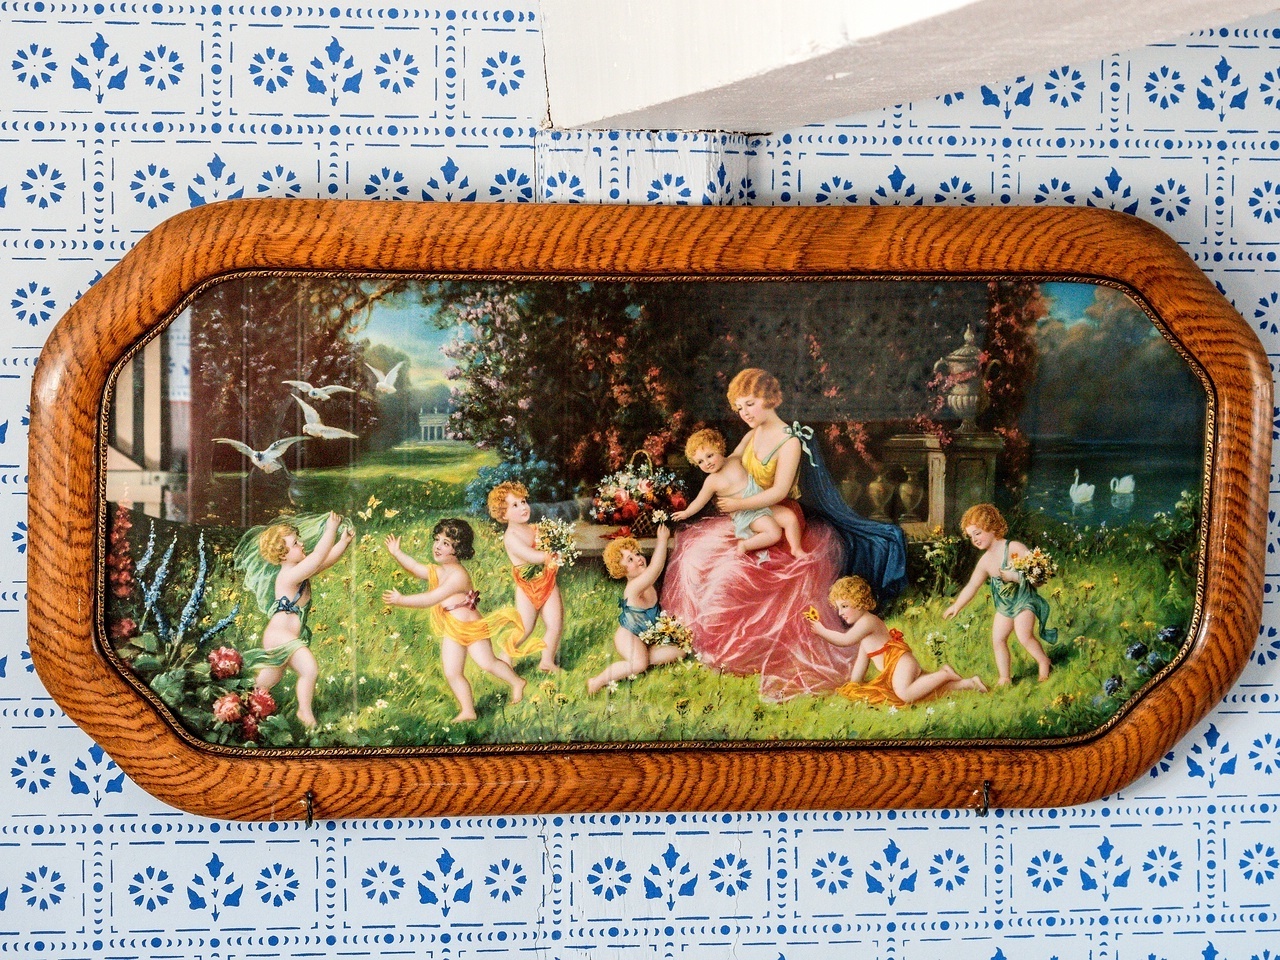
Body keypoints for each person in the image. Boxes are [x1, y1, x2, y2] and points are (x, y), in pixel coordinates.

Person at [661, 367, 908, 701]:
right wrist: (714, 472)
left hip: (778, 517)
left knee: (731, 575)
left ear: (770, 398)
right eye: (739, 408)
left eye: (750, 404)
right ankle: (702, 642)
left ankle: (745, 652)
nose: (745, 413)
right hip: (747, 516)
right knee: (695, 556)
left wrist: (738, 502)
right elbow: (728, 462)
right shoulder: (751, 434)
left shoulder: (790, 441)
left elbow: (778, 492)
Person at [383, 519, 537, 722]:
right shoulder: (441, 570)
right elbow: (415, 567)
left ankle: (517, 682)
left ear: (459, 549)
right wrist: (397, 553)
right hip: (453, 628)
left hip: (472, 628)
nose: (438, 546)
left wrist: (401, 600)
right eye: (437, 540)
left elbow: (430, 599)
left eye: (446, 543)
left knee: (487, 663)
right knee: (452, 672)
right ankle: (468, 711)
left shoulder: (458, 576)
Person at [235, 511, 354, 729]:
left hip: (281, 636)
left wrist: (343, 542)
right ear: (283, 555)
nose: (302, 544)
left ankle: (242, 703)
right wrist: (330, 530)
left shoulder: (300, 571)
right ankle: (304, 713)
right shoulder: (289, 575)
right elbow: (318, 557)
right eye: (296, 543)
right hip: (281, 636)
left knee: (270, 678)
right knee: (309, 669)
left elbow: (324, 561)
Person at [809, 575, 986, 705]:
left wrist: (822, 631)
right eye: (838, 608)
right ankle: (968, 684)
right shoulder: (864, 635)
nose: (840, 613)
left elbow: (845, 640)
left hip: (901, 663)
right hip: (896, 668)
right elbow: (860, 665)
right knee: (923, 694)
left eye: (844, 606)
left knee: (905, 694)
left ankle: (944, 674)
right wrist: (853, 686)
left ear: (859, 602)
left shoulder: (867, 622)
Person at [944, 503, 1056, 685]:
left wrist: (1014, 576)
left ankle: (1044, 662)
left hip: (1024, 600)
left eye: (977, 533)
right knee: (998, 639)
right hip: (1004, 606)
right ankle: (1004, 677)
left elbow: (1038, 576)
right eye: (971, 536)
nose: (974, 539)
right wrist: (957, 605)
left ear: (991, 527)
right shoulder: (985, 561)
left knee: (1024, 635)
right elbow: (972, 586)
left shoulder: (1013, 548)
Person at [672, 427, 806, 559]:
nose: (707, 463)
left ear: (718, 447)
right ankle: (745, 545)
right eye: (700, 462)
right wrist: (687, 513)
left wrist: (759, 428)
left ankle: (796, 549)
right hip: (746, 515)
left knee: (790, 517)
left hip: (760, 504)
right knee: (774, 532)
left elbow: (744, 442)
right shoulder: (711, 481)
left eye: (710, 456)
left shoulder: (734, 459)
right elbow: (699, 501)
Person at [587, 525, 687, 694]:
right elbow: (656, 569)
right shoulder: (634, 587)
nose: (638, 559)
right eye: (630, 560)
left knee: (680, 652)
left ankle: (646, 654)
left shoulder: (644, 579)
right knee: (639, 665)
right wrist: (662, 540)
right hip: (629, 635)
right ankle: (597, 681)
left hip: (645, 636)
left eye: (637, 554)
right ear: (621, 570)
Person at [487, 480, 564, 673]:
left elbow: (545, 545)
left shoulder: (532, 528)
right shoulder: (511, 537)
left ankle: (547, 661)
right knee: (525, 627)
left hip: (546, 581)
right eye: (515, 505)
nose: (523, 507)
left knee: (555, 623)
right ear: (503, 514)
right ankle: (505, 656)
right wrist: (547, 555)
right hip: (528, 588)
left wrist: (555, 542)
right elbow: (531, 556)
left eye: (523, 502)